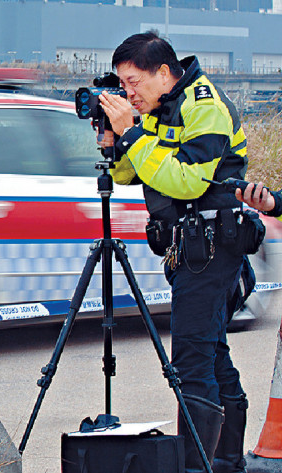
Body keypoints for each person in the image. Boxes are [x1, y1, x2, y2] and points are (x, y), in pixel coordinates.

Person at [98, 31, 251, 473]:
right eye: (121, 85)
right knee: (211, 353)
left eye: (133, 82)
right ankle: (225, 460)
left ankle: (197, 466)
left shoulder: (204, 107)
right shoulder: (164, 107)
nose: (128, 93)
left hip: (214, 249)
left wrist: (131, 130)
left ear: (164, 73)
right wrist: (118, 137)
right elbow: (132, 173)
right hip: (191, 249)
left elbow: (187, 181)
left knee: (190, 359)